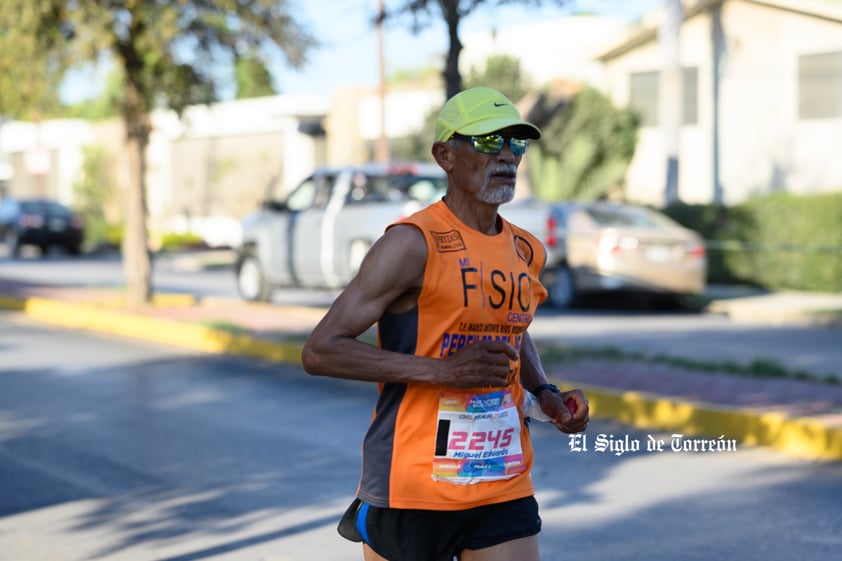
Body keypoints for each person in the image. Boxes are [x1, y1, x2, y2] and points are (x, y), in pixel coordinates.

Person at [301, 86, 589, 561]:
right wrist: (444, 372)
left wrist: (546, 395)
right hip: (414, 483)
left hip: (502, 478)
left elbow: (512, 329)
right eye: (488, 142)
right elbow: (321, 349)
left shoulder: (526, 250)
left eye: (516, 143)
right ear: (445, 155)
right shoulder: (413, 243)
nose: (507, 157)